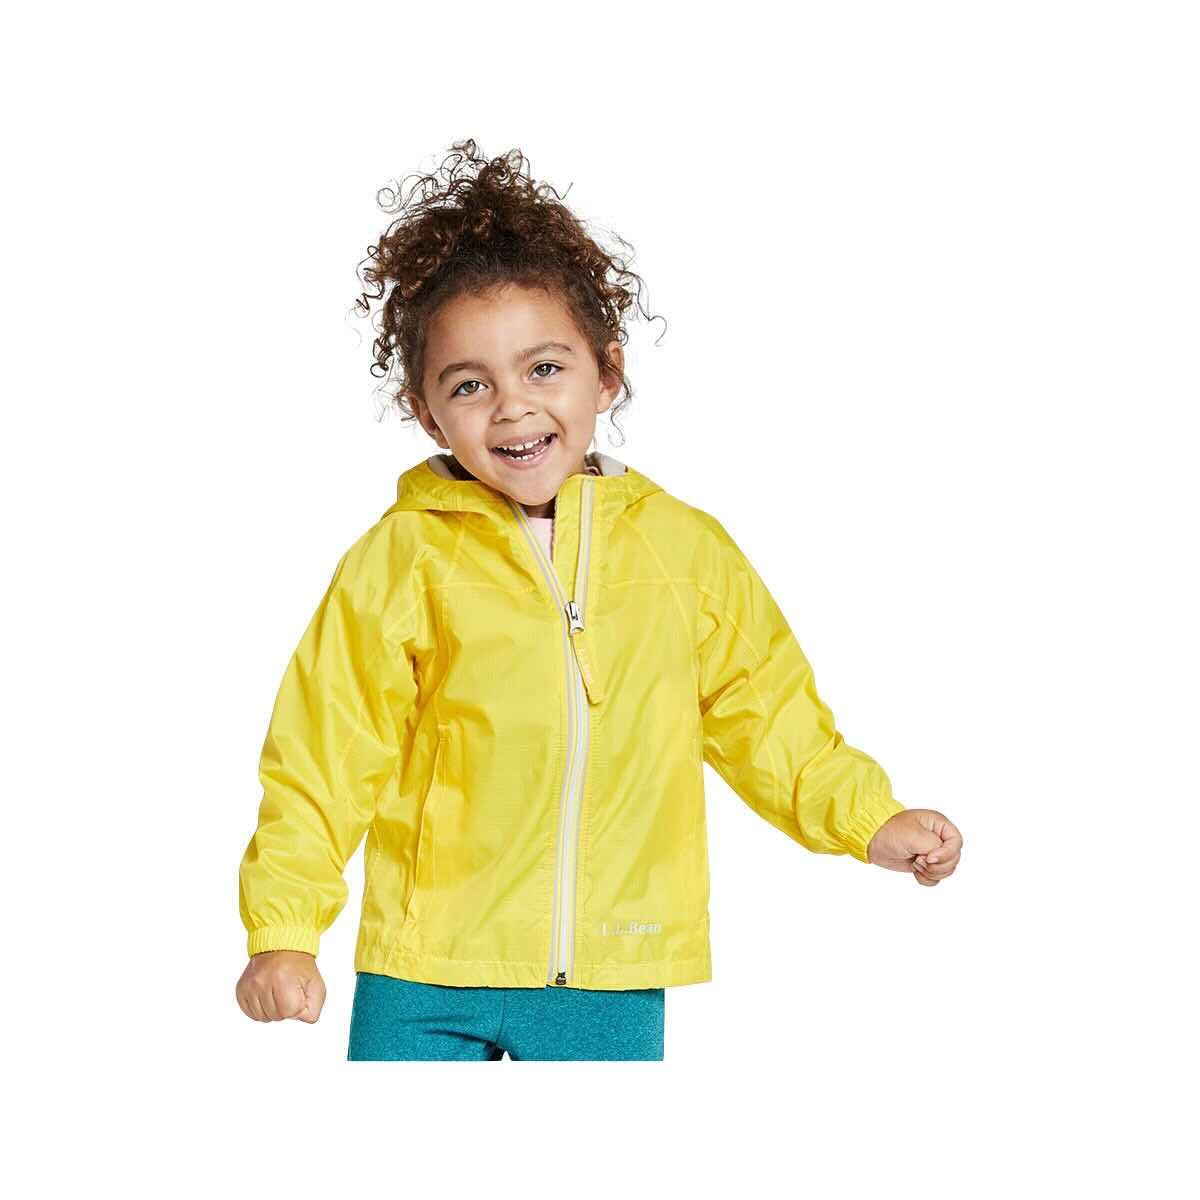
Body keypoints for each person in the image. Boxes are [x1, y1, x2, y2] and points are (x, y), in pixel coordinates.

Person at [234, 139, 963, 1061]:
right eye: (470, 385)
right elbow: (324, 753)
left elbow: (769, 715)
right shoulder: (402, 560)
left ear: (606, 372)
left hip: (613, 971)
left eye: (544, 369)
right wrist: (284, 928)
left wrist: (867, 818)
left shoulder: (683, 551)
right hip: (425, 965)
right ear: (427, 413)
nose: (511, 407)